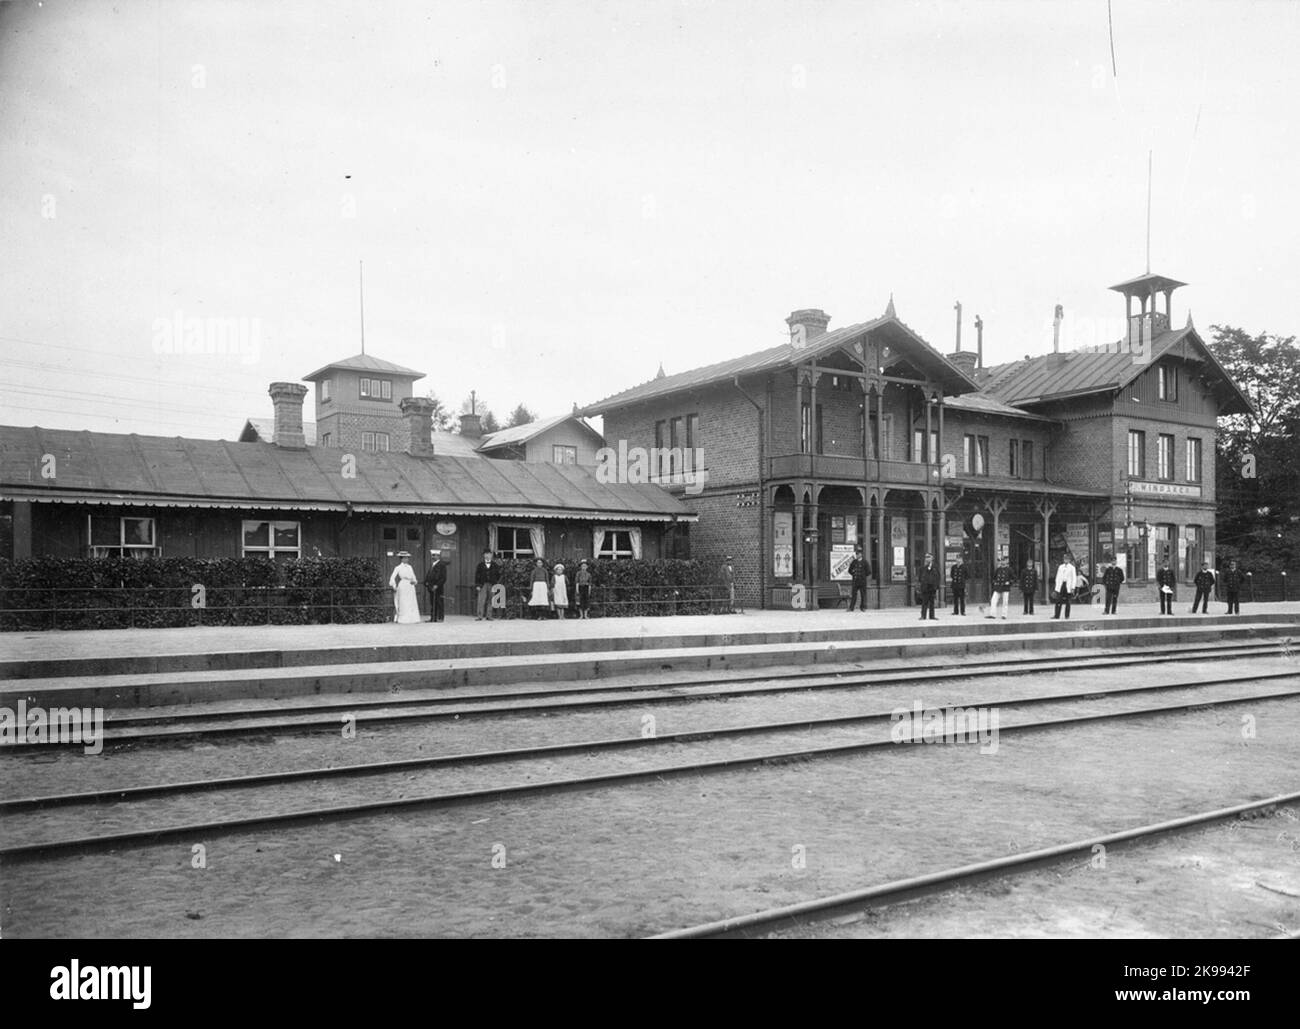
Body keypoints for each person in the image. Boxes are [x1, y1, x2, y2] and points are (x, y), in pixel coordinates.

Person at [388, 551, 421, 624]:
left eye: (407, 558)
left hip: (410, 586)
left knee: (411, 602)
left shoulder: (410, 567)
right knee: (403, 602)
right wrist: (394, 586)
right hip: (403, 586)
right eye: (405, 558)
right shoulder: (398, 567)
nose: (407, 559)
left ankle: (412, 618)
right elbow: (392, 578)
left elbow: (414, 577)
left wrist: (414, 581)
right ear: (401, 559)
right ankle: (403, 618)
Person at [474, 549, 499, 622]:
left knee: (491, 600)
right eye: (486, 554)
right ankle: (479, 616)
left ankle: (489, 616)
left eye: (489, 554)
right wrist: (477, 585)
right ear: (484, 555)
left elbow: (498, 575)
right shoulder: (480, 565)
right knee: (481, 600)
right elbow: (477, 576)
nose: (487, 555)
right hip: (482, 584)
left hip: (492, 584)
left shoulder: (495, 565)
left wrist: (495, 582)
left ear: (491, 555)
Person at [423, 551, 447, 623]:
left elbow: (443, 578)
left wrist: (437, 585)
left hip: (438, 588)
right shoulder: (433, 565)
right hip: (431, 587)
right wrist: (426, 582)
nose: (433, 557)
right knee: (433, 603)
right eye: (432, 555)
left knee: (439, 602)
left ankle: (440, 618)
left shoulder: (442, 565)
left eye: (435, 555)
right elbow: (429, 575)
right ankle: (433, 618)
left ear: (438, 556)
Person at [1052, 553, 1077, 620]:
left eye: (1067, 559)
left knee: (1068, 601)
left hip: (1068, 585)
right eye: (1065, 559)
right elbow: (1057, 577)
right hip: (1061, 585)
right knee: (1058, 601)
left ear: (1069, 560)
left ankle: (1067, 615)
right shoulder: (1060, 567)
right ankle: (1057, 615)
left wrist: (1073, 587)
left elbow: (1074, 578)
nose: (1066, 560)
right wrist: (1056, 587)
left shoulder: (1072, 568)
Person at [988, 556, 1013, 620]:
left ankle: (1004, 615)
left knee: (1005, 602)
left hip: (1005, 588)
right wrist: (995, 582)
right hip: (998, 587)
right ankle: (992, 614)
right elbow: (994, 578)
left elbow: (1013, 578)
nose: (1003, 562)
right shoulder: (998, 569)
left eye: (1004, 560)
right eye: (1002, 560)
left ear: (1007, 561)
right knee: (993, 601)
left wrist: (1009, 582)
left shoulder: (1009, 570)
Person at [848, 546, 871, 612]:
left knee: (863, 595)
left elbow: (869, 571)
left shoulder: (865, 562)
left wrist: (863, 576)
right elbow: (849, 570)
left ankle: (862, 607)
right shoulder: (854, 562)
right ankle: (851, 608)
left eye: (858, 554)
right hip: (855, 581)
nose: (857, 555)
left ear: (861, 554)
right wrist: (854, 574)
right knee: (854, 595)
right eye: (856, 554)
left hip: (862, 581)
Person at [917, 553, 939, 621]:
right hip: (925, 587)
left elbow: (938, 576)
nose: (927, 558)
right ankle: (923, 616)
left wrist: (936, 586)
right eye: (926, 557)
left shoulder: (935, 567)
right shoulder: (922, 568)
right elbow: (920, 578)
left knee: (932, 602)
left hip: (932, 587)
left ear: (932, 558)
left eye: (928, 557)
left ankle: (932, 616)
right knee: (924, 602)